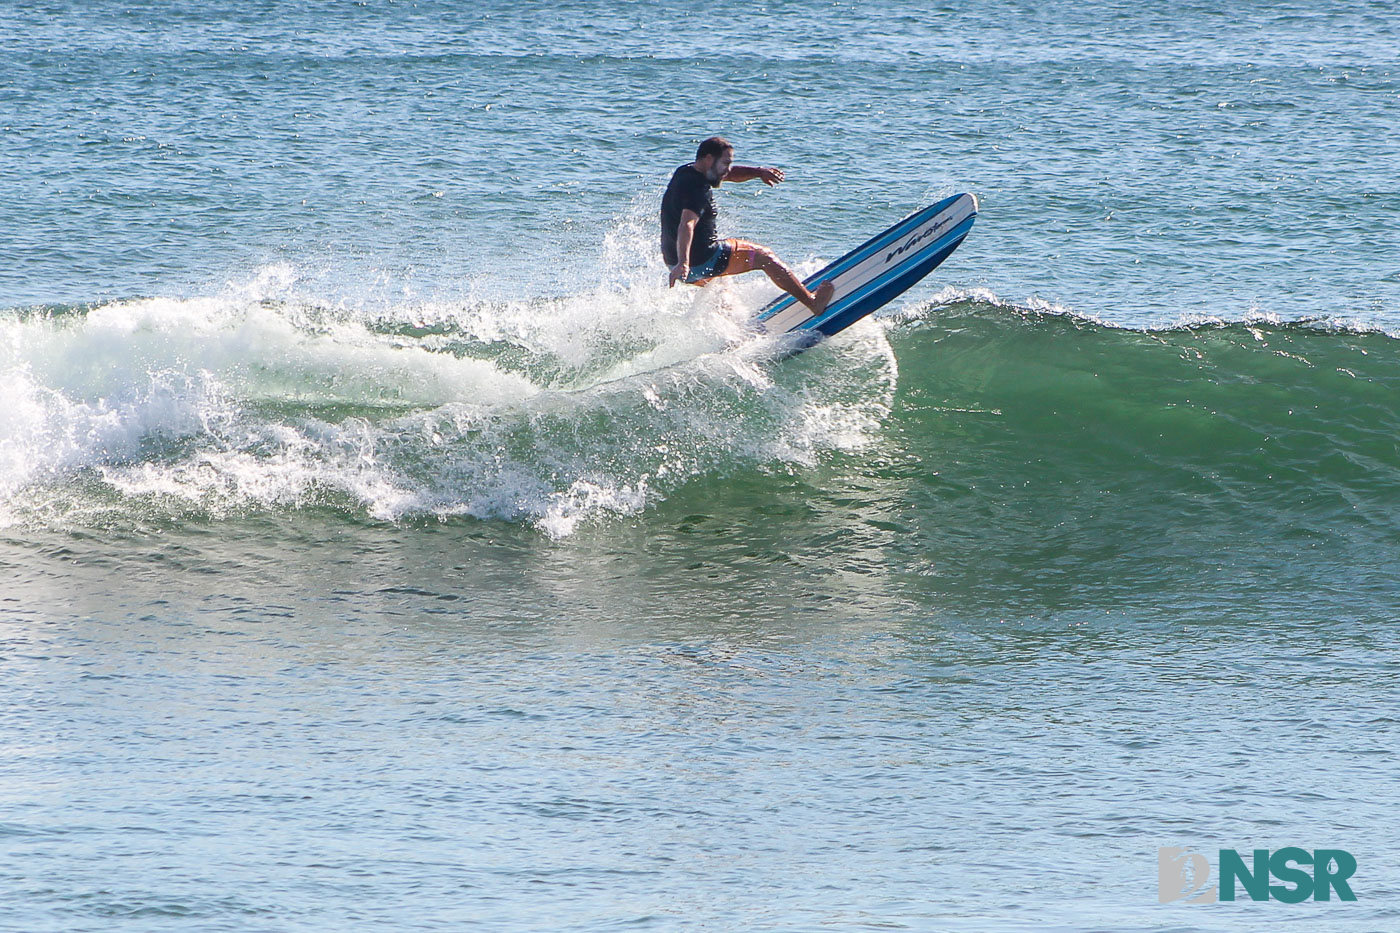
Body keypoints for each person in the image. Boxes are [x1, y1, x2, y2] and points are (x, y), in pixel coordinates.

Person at [660, 136, 834, 314]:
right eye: (725, 163)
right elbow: (687, 224)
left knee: (721, 284)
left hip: (674, 264)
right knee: (764, 256)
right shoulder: (698, 190)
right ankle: (813, 302)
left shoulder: (685, 172)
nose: (727, 170)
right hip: (698, 261)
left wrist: (758, 172)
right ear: (709, 159)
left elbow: (730, 173)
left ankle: (734, 330)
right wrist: (685, 262)